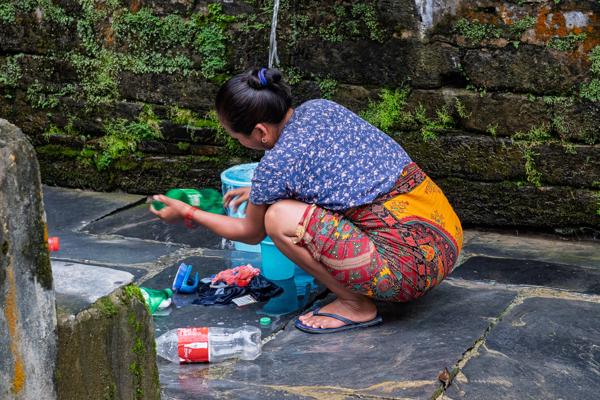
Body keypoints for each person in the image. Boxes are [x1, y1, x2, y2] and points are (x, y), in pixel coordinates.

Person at [150, 67, 463, 334]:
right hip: (445, 239)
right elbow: (336, 174)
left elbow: (249, 232)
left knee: (277, 219)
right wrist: (262, 190)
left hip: (409, 273)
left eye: (237, 137)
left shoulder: (276, 167)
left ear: (260, 132)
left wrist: (189, 212)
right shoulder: (319, 108)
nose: (240, 142)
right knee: (281, 207)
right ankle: (357, 289)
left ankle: (356, 305)